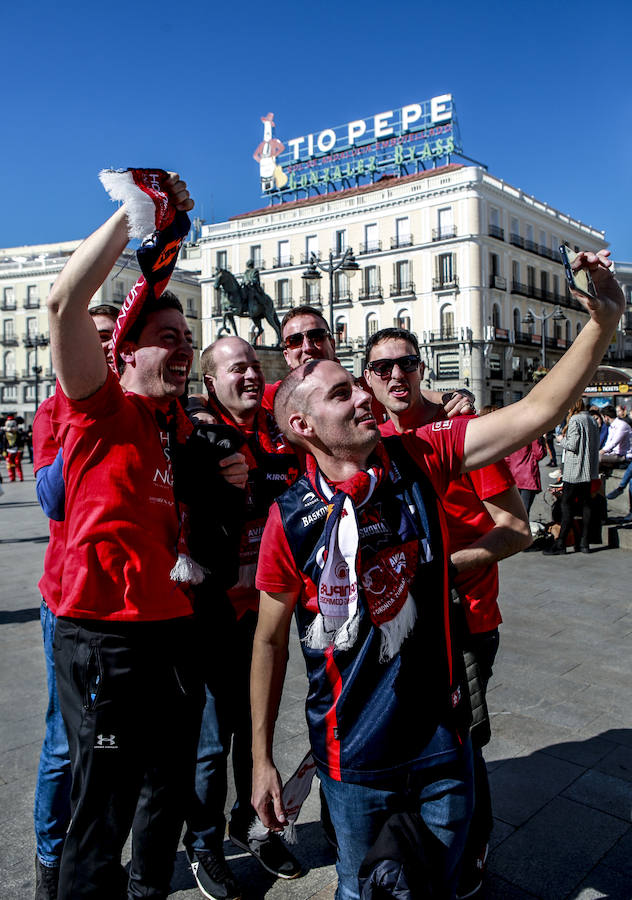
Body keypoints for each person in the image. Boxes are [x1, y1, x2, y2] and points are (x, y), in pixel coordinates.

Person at [250, 249, 624, 900]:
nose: (367, 393)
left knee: (444, 885)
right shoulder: (291, 520)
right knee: (361, 888)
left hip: (441, 744)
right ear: (304, 425)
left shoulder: (419, 453)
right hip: (352, 756)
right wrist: (259, 758)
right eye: (346, 390)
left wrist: (604, 322)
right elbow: (268, 641)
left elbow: (533, 414)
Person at [46, 173, 246, 899]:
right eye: (168, 340)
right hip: (106, 640)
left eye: (188, 340)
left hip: (174, 637)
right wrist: (137, 219)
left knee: (165, 794)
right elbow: (64, 301)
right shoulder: (99, 407)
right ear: (123, 353)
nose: (184, 352)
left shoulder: (175, 427)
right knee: (101, 808)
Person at [363, 327, 532, 897]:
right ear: (367, 378)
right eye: (380, 367)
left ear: (422, 367)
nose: (395, 375)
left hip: (466, 617)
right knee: (420, 743)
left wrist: (445, 568)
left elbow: (517, 529)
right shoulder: (374, 437)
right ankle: (428, 846)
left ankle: (472, 847)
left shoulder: (461, 435)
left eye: (405, 363)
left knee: (462, 741)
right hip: (406, 622)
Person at [184, 335, 301, 900]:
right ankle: (203, 842)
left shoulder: (278, 433)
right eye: (236, 369)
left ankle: (249, 822)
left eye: (255, 366)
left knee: (254, 738)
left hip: (265, 616)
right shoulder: (195, 435)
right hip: (211, 615)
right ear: (210, 381)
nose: (251, 376)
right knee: (210, 742)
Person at [32, 304, 118, 900]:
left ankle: (99, 854)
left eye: (115, 338)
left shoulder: (143, 408)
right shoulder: (52, 410)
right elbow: (52, 499)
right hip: (67, 601)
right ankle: (48, 857)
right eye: (95, 338)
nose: (106, 348)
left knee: (111, 736)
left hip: (130, 609)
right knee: (66, 738)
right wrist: (84, 419)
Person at [544, 399, 600, 555]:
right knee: (586, 505)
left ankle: (561, 543)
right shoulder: (591, 419)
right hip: (589, 471)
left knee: (566, 505)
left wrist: (561, 440)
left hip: (575, 471)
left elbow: (572, 445)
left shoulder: (575, 420)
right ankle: (584, 543)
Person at [505, 437, 547, 516]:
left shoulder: (510, 434)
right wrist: (543, 442)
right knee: (524, 512)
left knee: (516, 511)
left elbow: (506, 458)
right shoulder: (532, 434)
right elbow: (539, 454)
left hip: (514, 475)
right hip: (528, 476)